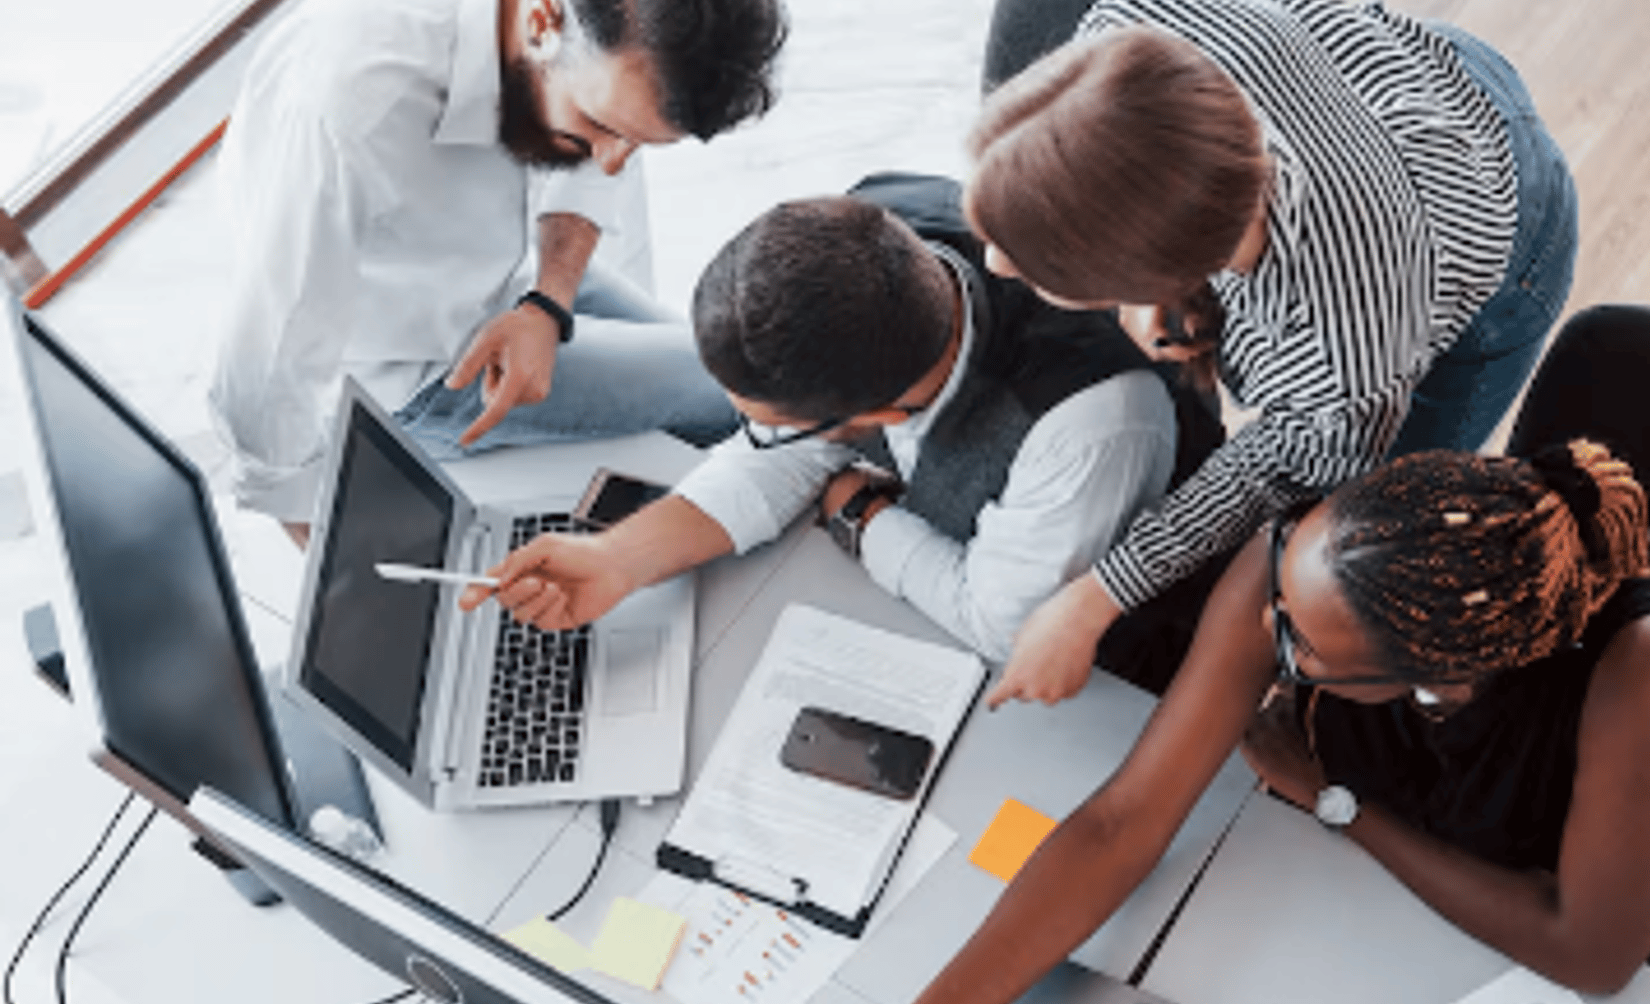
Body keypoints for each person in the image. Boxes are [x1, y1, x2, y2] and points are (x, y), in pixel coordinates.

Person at [784, 439, 1650, 1004]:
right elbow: (1123, 820)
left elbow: (1592, 952)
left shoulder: (1639, 669)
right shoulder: (1311, 557)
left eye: (1299, 648)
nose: (1266, 633)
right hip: (1322, 904)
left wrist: (1336, 802)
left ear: (1425, 672)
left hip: (1485, 942)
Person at [967, 0, 1579, 708]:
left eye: (1034, 264)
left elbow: (1277, 466)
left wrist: (1094, 598)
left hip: (1498, 220)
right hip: (1412, 75)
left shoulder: (1348, 339)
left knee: (1375, 541)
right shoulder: (1130, 24)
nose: (995, 262)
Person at [460, 173, 1179, 662]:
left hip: (1123, 647)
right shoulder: (860, 234)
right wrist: (614, 559)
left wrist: (860, 512)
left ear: (884, 415)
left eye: (780, 425)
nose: (760, 439)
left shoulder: (1086, 425)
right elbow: (783, 455)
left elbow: (1001, 624)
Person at [209, 0, 786, 536]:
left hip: (507, 271)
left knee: (744, 363)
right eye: (598, 127)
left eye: (636, 144)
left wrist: (547, 304)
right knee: (750, 387)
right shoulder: (349, 120)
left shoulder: (565, 17)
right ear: (541, 21)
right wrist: (336, 583)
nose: (610, 163)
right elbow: (262, 378)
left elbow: (584, 164)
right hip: (419, 366)